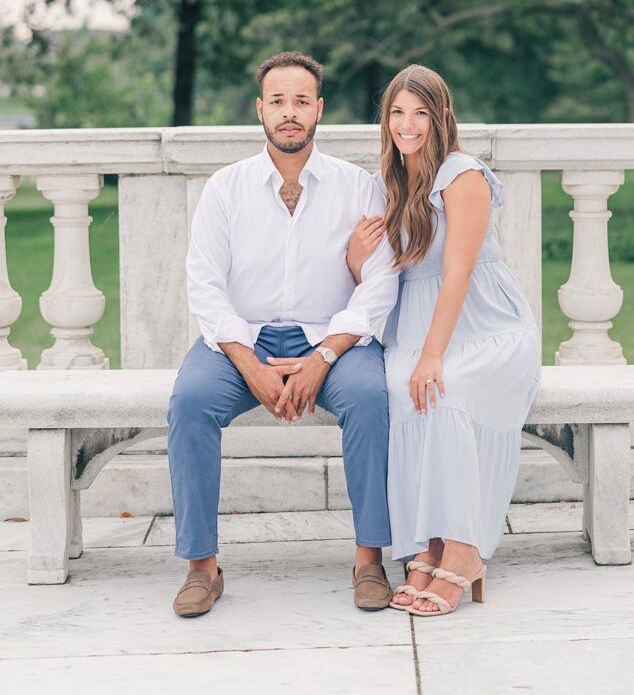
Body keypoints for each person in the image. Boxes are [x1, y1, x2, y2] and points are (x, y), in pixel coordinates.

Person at [167, 52, 399, 617]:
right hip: (241, 341)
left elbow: (380, 282)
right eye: (278, 101)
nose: (289, 113)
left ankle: (370, 559)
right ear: (260, 109)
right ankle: (202, 567)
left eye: (301, 101)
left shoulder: (358, 187)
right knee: (190, 402)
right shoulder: (227, 188)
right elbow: (205, 284)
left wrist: (323, 356)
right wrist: (250, 364)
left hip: (334, 339)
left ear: (319, 109)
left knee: (370, 399)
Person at [348, 64, 541, 617]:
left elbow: (456, 273)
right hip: (413, 328)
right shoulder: (392, 181)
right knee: (400, 392)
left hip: (484, 329)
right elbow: (387, 273)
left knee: (445, 389)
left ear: (441, 117)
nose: (407, 125)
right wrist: (356, 259)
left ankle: (463, 548)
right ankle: (423, 546)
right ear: (386, 120)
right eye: (397, 112)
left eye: (420, 113)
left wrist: (433, 355)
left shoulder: (462, 176)